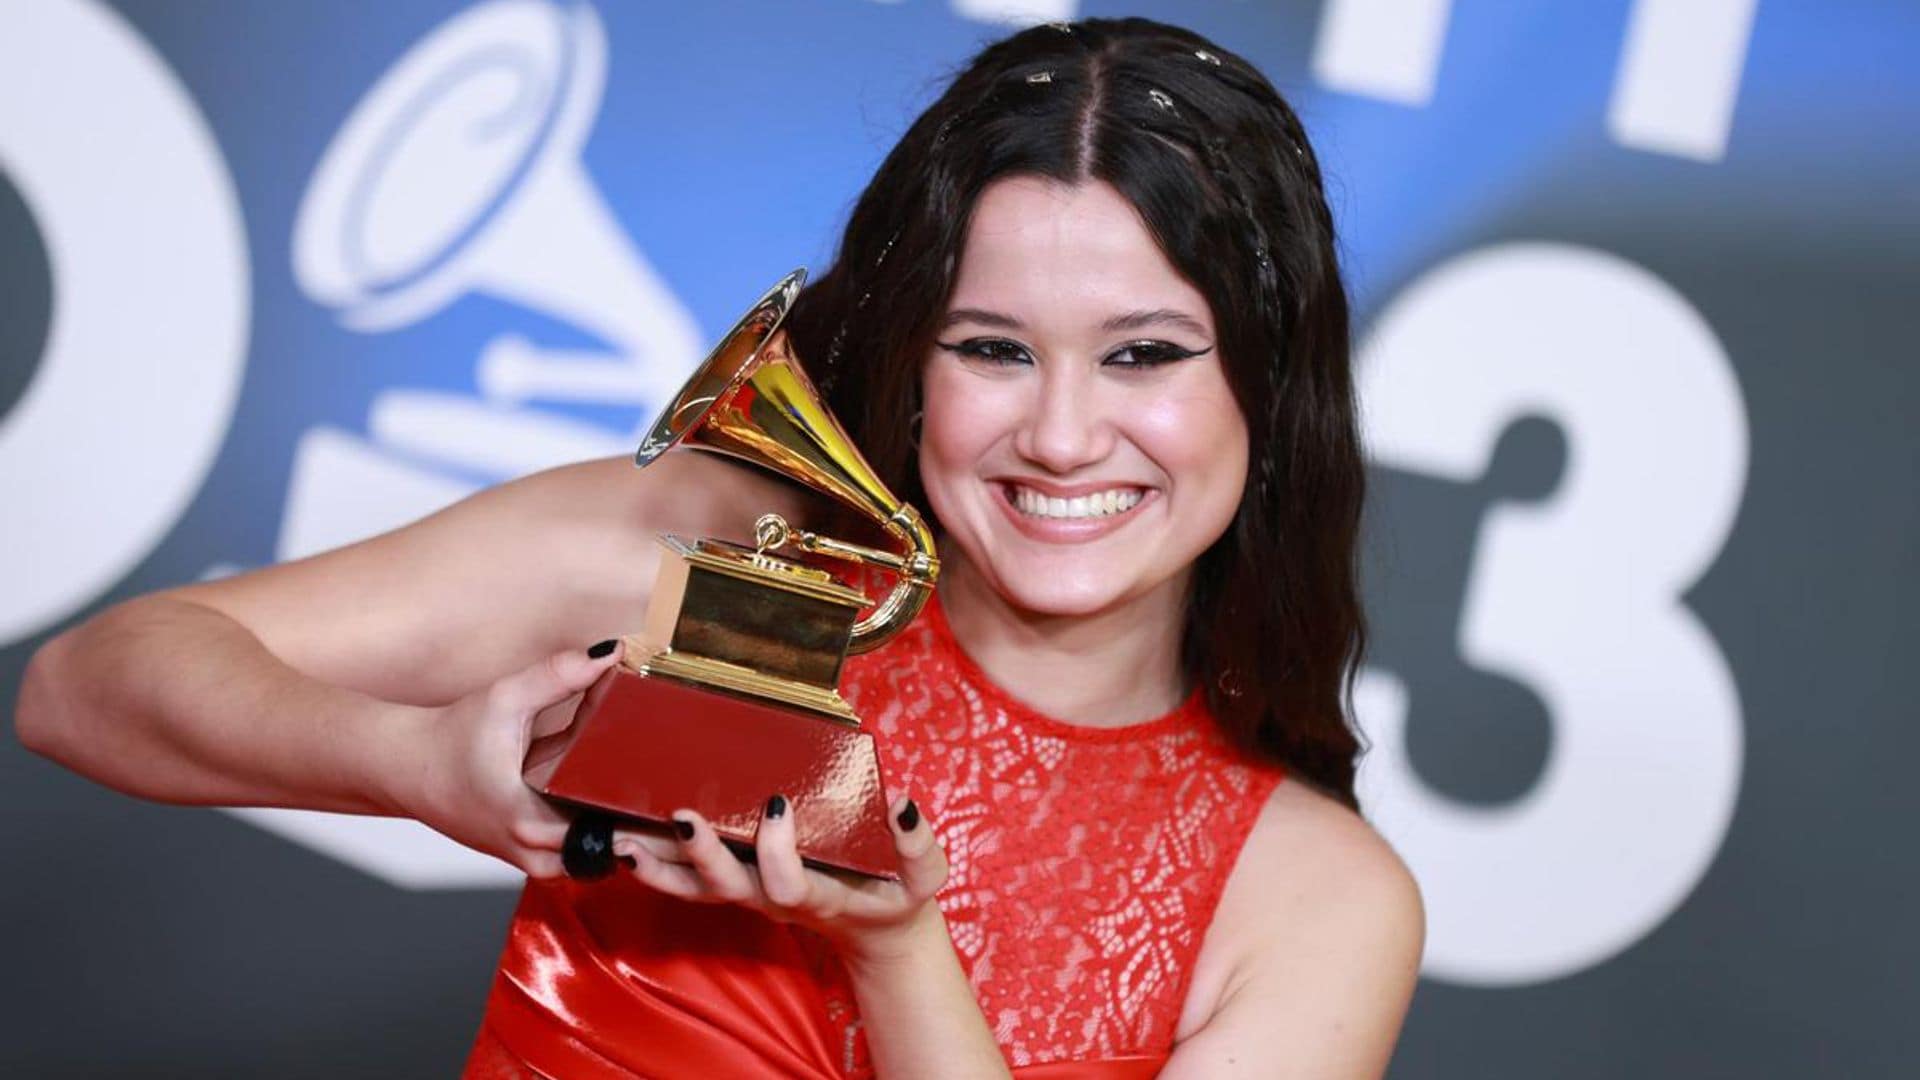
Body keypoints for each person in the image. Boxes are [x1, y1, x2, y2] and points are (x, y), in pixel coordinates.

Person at [15, 16, 1422, 1079]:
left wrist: (895, 947)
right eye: (992, 348)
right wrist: (408, 760)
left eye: (1143, 355)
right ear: (916, 364)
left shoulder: (1316, 895)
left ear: (1268, 384)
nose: (1061, 436)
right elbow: (80, 688)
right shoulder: (733, 578)